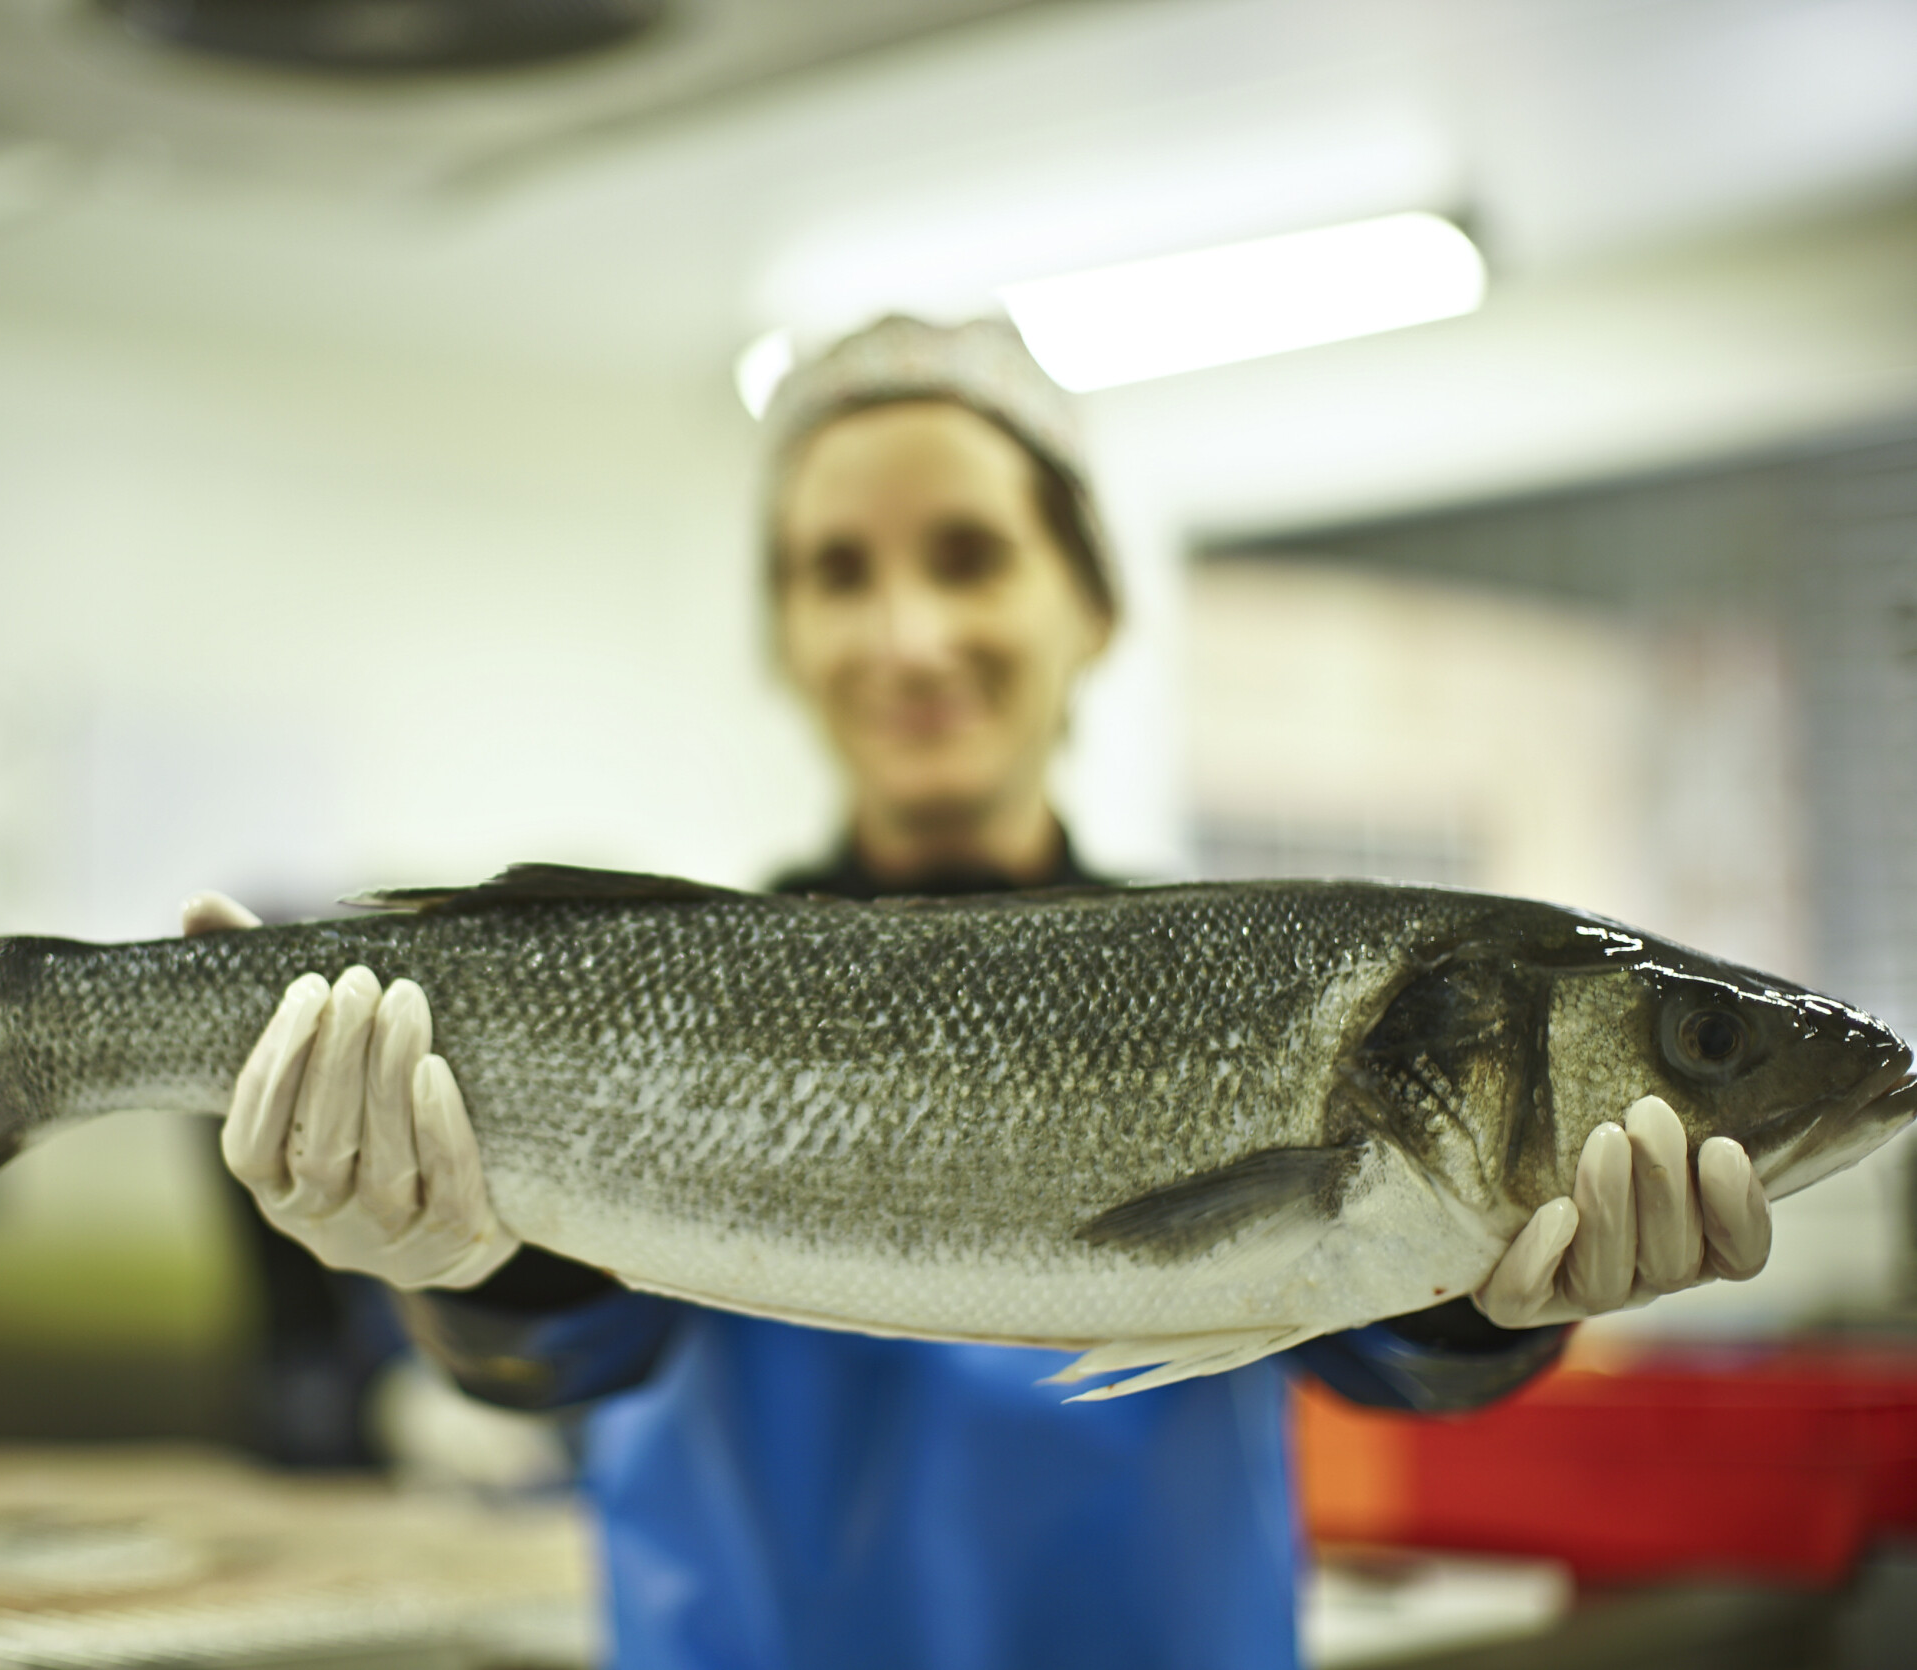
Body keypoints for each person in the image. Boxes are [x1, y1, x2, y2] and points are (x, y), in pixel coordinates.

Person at [180, 316, 1776, 1668]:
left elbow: (1379, 1347)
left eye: (969, 556)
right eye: (837, 572)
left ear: (1090, 605)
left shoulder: (1282, 984)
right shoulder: (655, 995)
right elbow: (566, 1352)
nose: (908, 631)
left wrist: (1493, 1263)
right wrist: (448, 1260)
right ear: (787, 635)